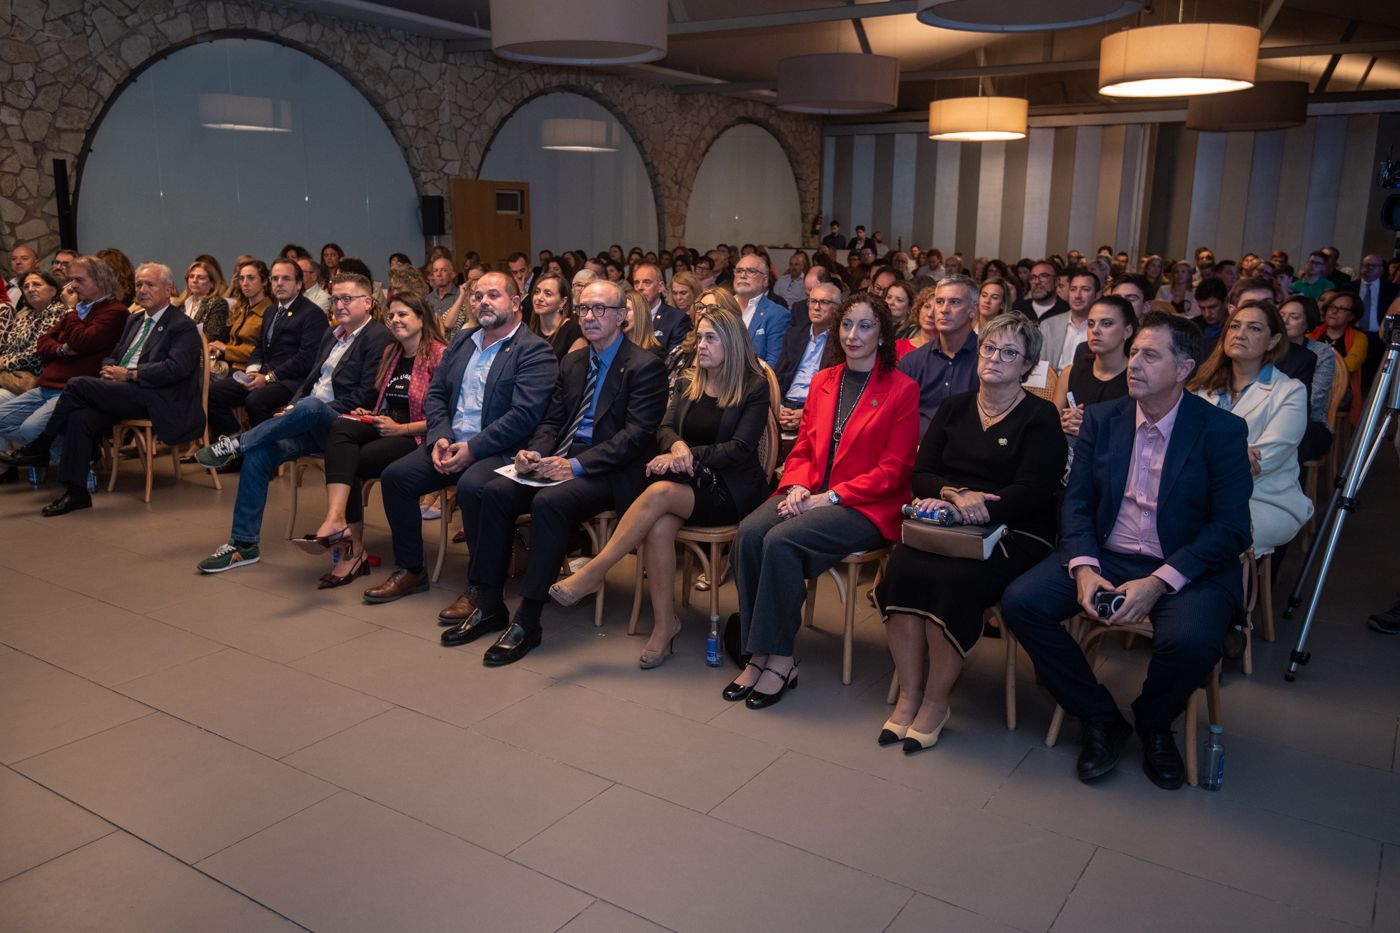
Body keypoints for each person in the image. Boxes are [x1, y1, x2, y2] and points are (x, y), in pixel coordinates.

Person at [1000, 312, 1252, 790]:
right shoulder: (1104, 419)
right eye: (1133, 352)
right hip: (1109, 552)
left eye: (1149, 356)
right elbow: (1077, 502)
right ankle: (1099, 716)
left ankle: (1154, 723)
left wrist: (1160, 582)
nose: (1133, 363)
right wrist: (1084, 567)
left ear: (1184, 369)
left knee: (1193, 641)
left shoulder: (1220, 430)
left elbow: (1231, 528)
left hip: (1184, 562)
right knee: (1021, 602)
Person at [441, 279, 667, 666]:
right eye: (584, 309)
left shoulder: (645, 367)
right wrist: (535, 451)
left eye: (600, 309)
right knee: (493, 491)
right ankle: (490, 601)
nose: (590, 317)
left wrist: (575, 465)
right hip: (561, 458)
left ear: (621, 317)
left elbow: (634, 438)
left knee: (549, 502)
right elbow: (553, 419)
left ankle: (528, 620)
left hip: (609, 468)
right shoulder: (574, 361)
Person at [875, 314, 1065, 752]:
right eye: (990, 348)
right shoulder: (955, 406)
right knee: (902, 567)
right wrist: (954, 496)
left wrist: (973, 507)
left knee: (955, 581)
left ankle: (937, 702)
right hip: (950, 520)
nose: (995, 358)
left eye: (1009, 353)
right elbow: (922, 472)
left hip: (1016, 529)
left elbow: (1035, 490)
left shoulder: (1040, 416)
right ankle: (908, 695)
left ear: (1027, 365)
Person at [724, 293, 919, 708]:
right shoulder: (823, 380)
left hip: (864, 504)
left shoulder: (901, 389)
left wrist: (829, 496)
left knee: (781, 541)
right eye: (847, 325)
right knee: (749, 533)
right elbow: (805, 448)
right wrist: (796, 485)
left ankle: (778, 659)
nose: (853, 335)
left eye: (865, 326)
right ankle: (758, 652)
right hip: (810, 490)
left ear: (883, 335)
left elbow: (894, 470)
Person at [549, 307, 771, 667]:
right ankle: (665, 625)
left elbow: (740, 449)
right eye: (699, 337)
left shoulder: (753, 387)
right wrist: (678, 448)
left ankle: (595, 571)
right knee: (658, 525)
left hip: (730, 489)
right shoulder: (688, 381)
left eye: (710, 338)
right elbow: (663, 428)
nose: (701, 345)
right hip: (689, 481)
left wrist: (686, 455)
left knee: (658, 493)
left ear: (731, 342)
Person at [362, 272, 557, 610]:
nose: (483, 301)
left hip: (503, 451)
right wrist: (440, 437)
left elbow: (523, 416)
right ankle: (410, 568)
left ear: (514, 303)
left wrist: (473, 449)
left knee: (472, 486)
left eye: (493, 295)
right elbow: (436, 395)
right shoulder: (463, 343)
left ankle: (481, 586)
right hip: (451, 443)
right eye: (477, 296)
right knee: (395, 478)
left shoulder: (534, 350)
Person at [193, 273, 394, 572]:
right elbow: (311, 379)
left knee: (310, 406)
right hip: (309, 420)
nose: (339, 305)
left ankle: (236, 443)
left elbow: (366, 393)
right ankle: (243, 544)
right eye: (335, 299)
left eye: (347, 299)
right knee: (259, 455)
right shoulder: (332, 334)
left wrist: (305, 408)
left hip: (346, 424)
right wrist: (292, 406)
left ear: (367, 302)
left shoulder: (378, 337)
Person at [1, 263, 205, 516]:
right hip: (123, 390)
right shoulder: (134, 319)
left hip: (155, 396)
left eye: (150, 284)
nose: (142, 290)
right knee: (80, 418)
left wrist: (130, 374)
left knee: (77, 383)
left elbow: (177, 369)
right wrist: (111, 369)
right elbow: (114, 354)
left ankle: (42, 445)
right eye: (138, 284)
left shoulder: (180, 324)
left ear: (169, 289)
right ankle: (76, 492)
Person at [280, 292, 448, 587]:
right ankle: (337, 523)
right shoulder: (392, 353)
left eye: (403, 315)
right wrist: (367, 413)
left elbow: (446, 415)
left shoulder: (438, 354)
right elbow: (386, 400)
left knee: (351, 461)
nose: (395, 321)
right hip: (385, 422)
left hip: (417, 433)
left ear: (421, 319)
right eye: (392, 316)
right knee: (342, 428)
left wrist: (402, 428)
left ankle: (351, 547)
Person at [1189, 299, 1311, 558]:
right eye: (1234, 326)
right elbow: (1183, 442)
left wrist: (1210, 455)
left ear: (1273, 340)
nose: (1240, 334)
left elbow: (1268, 457)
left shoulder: (1290, 391)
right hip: (1200, 492)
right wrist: (1237, 452)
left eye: (1254, 328)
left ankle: (1222, 597)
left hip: (1264, 498)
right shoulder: (1202, 387)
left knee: (1214, 531)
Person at [0, 256, 127, 462]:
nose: (73, 286)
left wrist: (70, 311)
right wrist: (61, 350)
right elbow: (43, 345)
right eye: (72, 280)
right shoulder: (78, 310)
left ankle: (69, 457)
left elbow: (80, 342)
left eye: (79, 280)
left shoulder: (114, 312)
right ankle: (72, 452)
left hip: (72, 389)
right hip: (46, 386)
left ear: (100, 280)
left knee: (30, 430)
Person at [206, 258, 328, 449]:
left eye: (286, 279)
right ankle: (234, 447)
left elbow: (306, 358)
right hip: (262, 375)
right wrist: (252, 371)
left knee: (255, 401)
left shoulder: (312, 314)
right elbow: (260, 347)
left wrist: (269, 377)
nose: (279, 283)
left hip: (291, 380)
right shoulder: (271, 311)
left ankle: (264, 456)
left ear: (298, 284)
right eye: (275, 279)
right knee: (213, 393)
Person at [898, 275, 980, 434]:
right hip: (918, 451)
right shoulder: (912, 361)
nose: (944, 310)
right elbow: (897, 418)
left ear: (973, 310)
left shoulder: (989, 359)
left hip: (969, 452)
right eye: (939, 301)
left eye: (954, 302)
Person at [1052, 295, 1136, 442]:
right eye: (1091, 324)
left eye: (1107, 324)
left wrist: (1088, 431)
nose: (1095, 330)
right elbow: (1048, 426)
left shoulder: (1136, 379)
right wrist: (1063, 424)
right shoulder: (1070, 373)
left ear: (1127, 331)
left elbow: (1134, 439)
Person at [775, 281, 841, 433]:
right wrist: (780, 409)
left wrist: (806, 413)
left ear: (838, 308)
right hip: (786, 406)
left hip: (819, 410)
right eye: (812, 301)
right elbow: (777, 378)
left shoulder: (841, 341)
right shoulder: (794, 335)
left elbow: (836, 390)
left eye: (824, 302)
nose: (816, 307)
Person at [1279, 295, 1337, 463]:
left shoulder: (1321, 352)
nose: (1285, 321)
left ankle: (1289, 488)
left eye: (1294, 317)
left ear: (1307, 322)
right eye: (1281, 315)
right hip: (1270, 416)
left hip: (1310, 421)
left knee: (1292, 443)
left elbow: (1314, 399)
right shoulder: (1269, 346)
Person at [0, 272, 66, 400]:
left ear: (52, 291)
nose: (30, 289)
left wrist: (5, 362)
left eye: (36, 284)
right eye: (26, 287)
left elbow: (38, 353)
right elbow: (8, 347)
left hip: (35, 381)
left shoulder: (59, 313)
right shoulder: (27, 316)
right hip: (12, 377)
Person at [1311, 291, 1368, 429]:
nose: (1334, 311)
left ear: (1352, 316)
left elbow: (1350, 365)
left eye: (1342, 309)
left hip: (1339, 391)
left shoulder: (1359, 337)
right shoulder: (1312, 332)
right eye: (1332, 307)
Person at [732, 253, 789, 367]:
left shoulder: (777, 315)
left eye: (751, 271)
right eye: (739, 270)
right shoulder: (720, 306)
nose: (743, 275)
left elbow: (773, 364)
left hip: (752, 381)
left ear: (765, 280)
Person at [1040, 270, 1100, 370]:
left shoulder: (1102, 329)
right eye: (1073, 289)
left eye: (1085, 289)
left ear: (1097, 295)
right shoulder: (1048, 325)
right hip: (1052, 383)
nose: (1077, 296)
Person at [632, 262, 690, 353]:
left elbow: (673, 360)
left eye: (647, 282)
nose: (640, 287)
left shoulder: (677, 319)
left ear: (660, 287)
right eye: (636, 283)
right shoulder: (627, 316)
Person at [527, 272, 585, 360]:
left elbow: (574, 372)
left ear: (562, 302)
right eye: (537, 292)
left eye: (548, 294)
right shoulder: (529, 330)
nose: (539, 298)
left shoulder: (573, 333)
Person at [180, 258, 230, 344]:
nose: (194, 280)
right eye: (191, 276)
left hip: (201, 354)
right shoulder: (180, 305)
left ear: (212, 283)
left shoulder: (217, 304)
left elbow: (212, 337)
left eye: (201, 278)